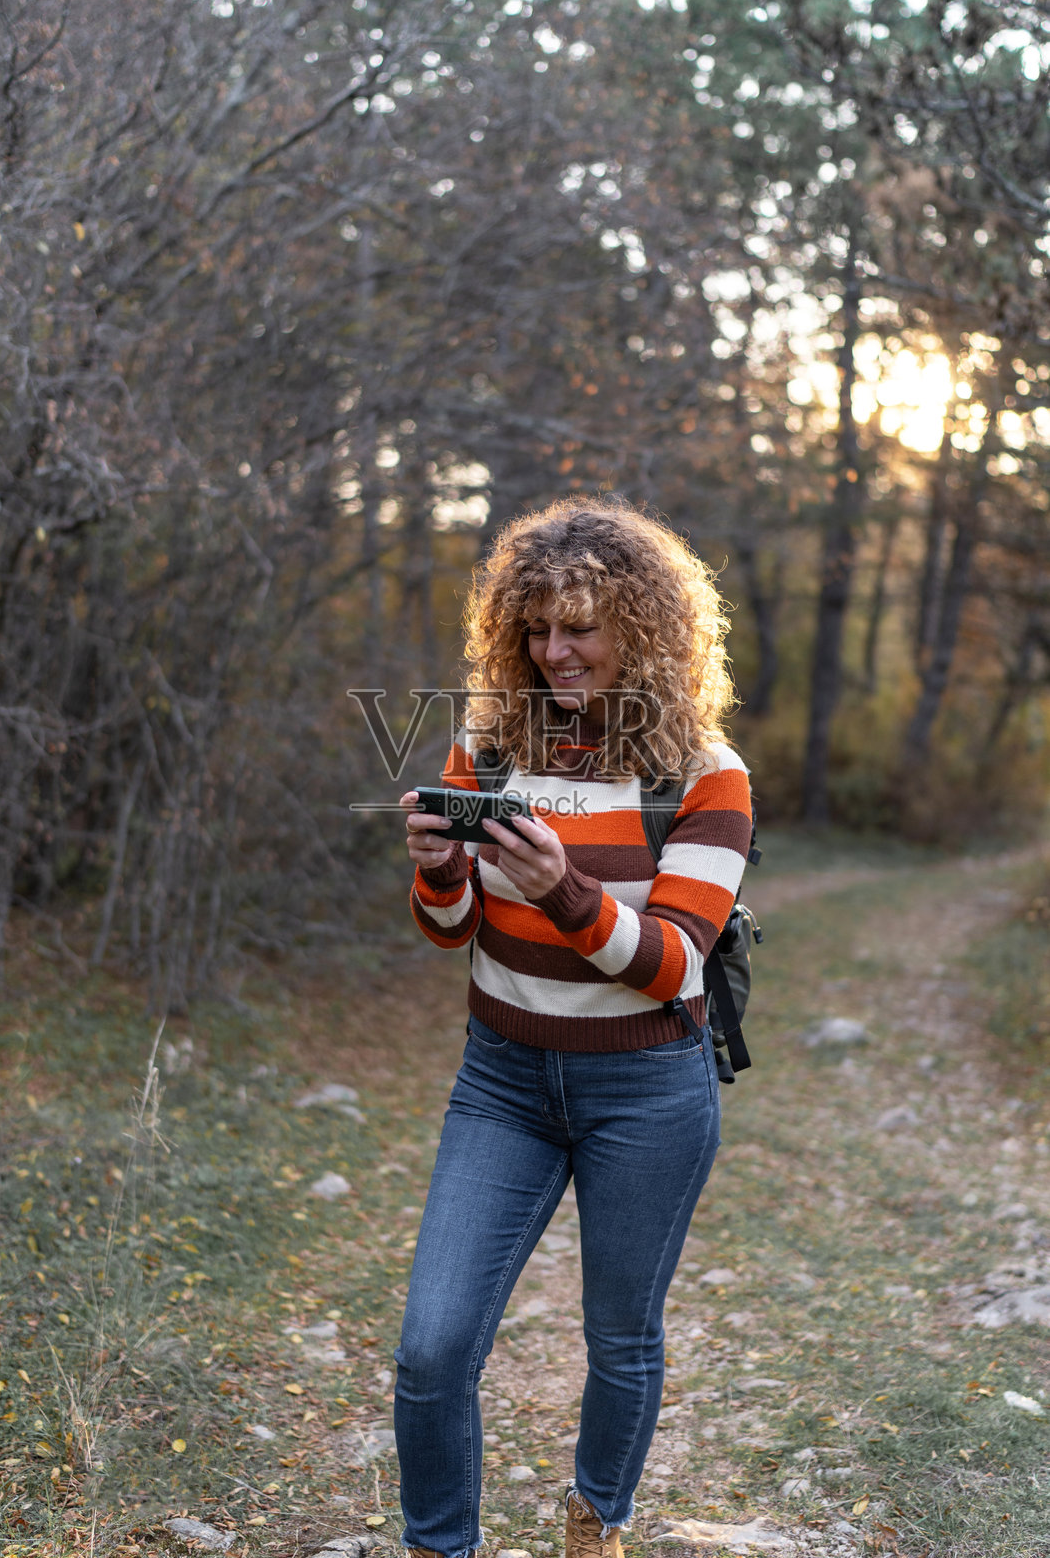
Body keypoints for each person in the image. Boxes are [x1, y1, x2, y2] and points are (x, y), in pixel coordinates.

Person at [396, 498, 752, 1558]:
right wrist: (435, 870)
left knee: (619, 1337)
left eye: (581, 627)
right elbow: (449, 928)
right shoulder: (490, 746)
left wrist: (562, 893)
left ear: (640, 631)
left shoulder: (703, 776)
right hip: (501, 1079)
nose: (555, 652)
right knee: (430, 1348)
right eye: (536, 628)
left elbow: (673, 965)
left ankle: (593, 1521)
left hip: (645, 1089)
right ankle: (437, 1546)